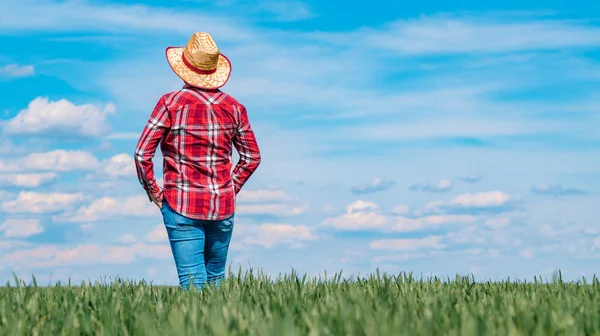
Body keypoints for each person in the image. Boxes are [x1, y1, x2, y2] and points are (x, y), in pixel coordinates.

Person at [134, 32, 261, 290]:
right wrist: (229, 188)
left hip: (180, 203)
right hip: (222, 206)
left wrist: (155, 193)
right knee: (216, 281)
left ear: (183, 70)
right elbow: (251, 157)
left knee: (192, 284)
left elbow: (142, 154)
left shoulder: (170, 103)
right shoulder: (235, 107)